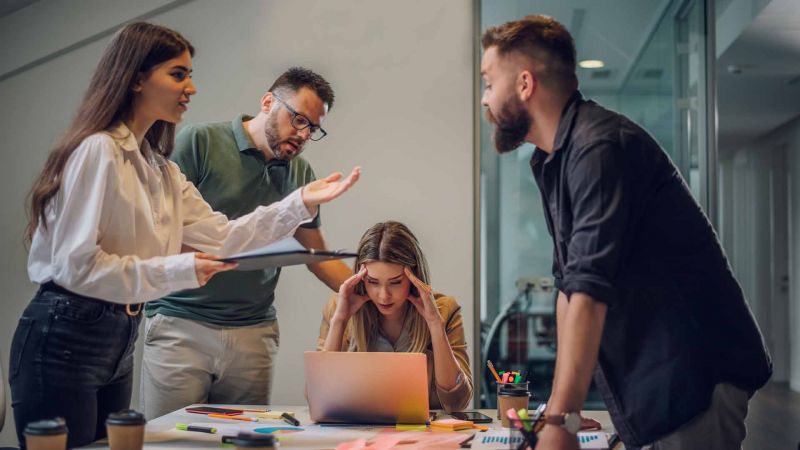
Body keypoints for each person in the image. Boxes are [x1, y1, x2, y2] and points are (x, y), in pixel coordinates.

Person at [10, 22, 359, 448]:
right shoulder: (98, 150)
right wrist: (182, 269)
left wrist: (300, 201)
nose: (191, 87)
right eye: (179, 74)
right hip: (66, 331)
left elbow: (224, 237)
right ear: (136, 77)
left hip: (119, 334)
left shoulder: (160, 168)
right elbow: (76, 267)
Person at [479, 15, 771, 450]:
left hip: (694, 380)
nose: (484, 99)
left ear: (524, 84)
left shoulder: (599, 147)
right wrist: (566, 416)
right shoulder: (553, 159)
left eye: (488, 82)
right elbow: (568, 289)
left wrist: (560, 422)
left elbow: (590, 291)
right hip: (655, 384)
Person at [140, 67, 353, 419]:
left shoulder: (301, 173)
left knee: (245, 442)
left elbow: (315, 254)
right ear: (268, 102)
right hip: (181, 322)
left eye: (313, 128)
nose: (302, 134)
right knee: (169, 442)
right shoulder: (199, 143)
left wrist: (365, 290)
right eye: (298, 119)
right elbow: (160, 232)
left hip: (253, 331)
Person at [318, 221, 473, 413]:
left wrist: (435, 324)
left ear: (414, 277)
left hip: (423, 436)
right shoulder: (339, 309)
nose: (383, 296)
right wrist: (340, 320)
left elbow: (456, 403)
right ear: (360, 278)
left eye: (396, 282)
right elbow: (320, 399)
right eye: (373, 282)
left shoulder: (445, 310)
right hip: (357, 432)